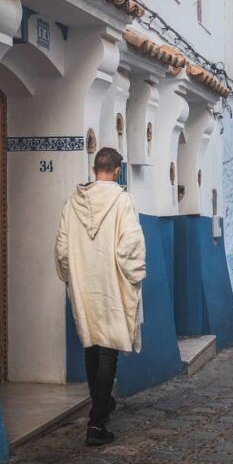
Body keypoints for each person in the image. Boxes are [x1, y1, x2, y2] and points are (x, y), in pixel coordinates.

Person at [55, 147, 146, 446]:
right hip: (111, 285)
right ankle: (97, 423)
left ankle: (102, 405)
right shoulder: (123, 201)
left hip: (85, 288)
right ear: (117, 170)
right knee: (108, 350)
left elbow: (62, 248)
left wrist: (73, 278)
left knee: (92, 346)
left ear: (95, 169)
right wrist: (134, 277)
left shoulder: (72, 203)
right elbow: (130, 246)